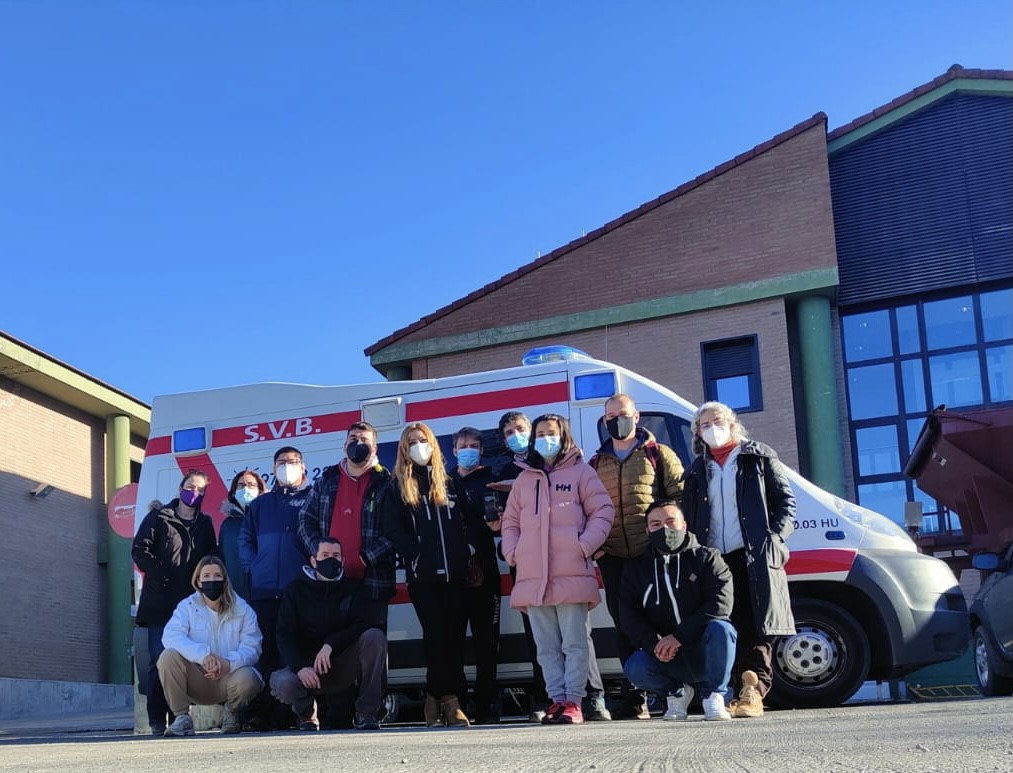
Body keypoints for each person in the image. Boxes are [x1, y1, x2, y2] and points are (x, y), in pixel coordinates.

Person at [493, 411, 612, 723]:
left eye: (551, 432)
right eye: (541, 433)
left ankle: (574, 700)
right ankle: (557, 699)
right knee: (545, 647)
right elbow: (511, 521)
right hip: (532, 576)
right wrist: (512, 550)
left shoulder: (581, 473)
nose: (546, 438)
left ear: (564, 436)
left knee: (574, 642)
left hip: (570, 572)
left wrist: (583, 545)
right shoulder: (524, 478)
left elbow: (602, 511)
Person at [681, 401, 797, 718]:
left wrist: (774, 538)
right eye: (704, 425)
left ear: (732, 423)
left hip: (752, 556)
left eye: (717, 421)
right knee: (722, 626)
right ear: (697, 434)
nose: (712, 429)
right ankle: (727, 691)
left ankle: (753, 690)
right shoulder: (694, 472)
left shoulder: (757, 457)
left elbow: (785, 503)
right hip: (714, 561)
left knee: (754, 625)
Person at [589, 393, 685, 719]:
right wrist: (596, 548)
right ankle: (633, 695)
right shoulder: (595, 463)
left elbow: (680, 499)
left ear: (637, 415)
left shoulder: (659, 455)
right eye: (612, 416)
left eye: (624, 414)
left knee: (661, 621)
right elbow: (583, 508)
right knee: (624, 625)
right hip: (613, 556)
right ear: (605, 421)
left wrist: (669, 539)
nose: (618, 420)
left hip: (652, 555)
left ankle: (667, 690)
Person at [381, 422, 474, 728]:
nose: (418, 446)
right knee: (436, 639)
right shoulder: (397, 486)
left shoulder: (448, 481)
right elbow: (391, 527)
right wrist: (415, 551)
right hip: (424, 579)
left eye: (423, 440)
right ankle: (450, 701)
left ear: (433, 444)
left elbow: (469, 520)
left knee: (454, 640)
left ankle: (437, 698)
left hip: (456, 576)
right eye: (411, 442)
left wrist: (467, 550)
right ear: (403, 450)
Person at [619, 501, 736, 721]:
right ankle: (677, 694)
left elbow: (720, 604)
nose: (664, 529)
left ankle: (714, 696)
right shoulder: (636, 569)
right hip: (666, 657)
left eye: (670, 522)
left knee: (722, 629)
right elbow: (629, 616)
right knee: (635, 667)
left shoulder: (708, 558)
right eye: (655, 524)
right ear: (647, 531)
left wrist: (679, 637)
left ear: (684, 526)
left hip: (704, 651)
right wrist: (655, 644)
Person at [131, 469, 218, 735]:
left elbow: (210, 559)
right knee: (159, 660)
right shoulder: (159, 517)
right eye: (190, 486)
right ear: (181, 487)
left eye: (200, 490)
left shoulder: (205, 524)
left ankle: (179, 716)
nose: (194, 493)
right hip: (160, 604)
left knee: (183, 662)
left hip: (191, 606)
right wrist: (160, 573)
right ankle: (157, 720)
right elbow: (139, 550)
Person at [271, 537, 388, 731]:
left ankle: (366, 713)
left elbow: (360, 625)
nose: (330, 560)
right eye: (325, 555)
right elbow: (284, 636)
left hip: (340, 665)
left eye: (335, 556)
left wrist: (330, 644)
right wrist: (300, 667)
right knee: (284, 683)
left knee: (375, 637)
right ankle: (306, 716)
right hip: (306, 669)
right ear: (313, 561)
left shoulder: (352, 588)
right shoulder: (294, 590)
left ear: (342, 561)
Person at [238, 446, 312, 729]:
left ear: (303, 467)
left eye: (292, 462)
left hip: (299, 592)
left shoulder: (312, 499)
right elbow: (244, 540)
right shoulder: (260, 505)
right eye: (281, 462)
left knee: (291, 653)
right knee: (265, 655)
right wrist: (254, 567)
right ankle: (260, 715)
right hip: (265, 592)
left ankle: (291, 714)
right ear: (273, 468)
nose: (286, 467)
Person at [298, 422, 394, 631]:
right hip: (330, 585)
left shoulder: (386, 482)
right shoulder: (327, 479)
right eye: (353, 439)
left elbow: (395, 530)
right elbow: (305, 519)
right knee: (333, 648)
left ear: (374, 448)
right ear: (344, 446)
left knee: (373, 646)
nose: (358, 443)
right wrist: (320, 552)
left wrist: (365, 557)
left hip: (373, 584)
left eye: (364, 441)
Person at [158, 556, 264, 736]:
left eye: (217, 575)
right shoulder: (187, 607)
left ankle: (231, 713)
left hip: (229, 678)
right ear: (198, 581)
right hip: (197, 678)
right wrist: (204, 656)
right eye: (206, 576)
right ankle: (182, 717)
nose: (212, 580)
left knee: (249, 677)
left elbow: (253, 648)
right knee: (167, 657)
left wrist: (228, 663)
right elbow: (170, 636)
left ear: (224, 579)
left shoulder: (243, 609)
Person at [448, 426, 501, 724]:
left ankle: (487, 704)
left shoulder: (492, 480)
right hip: (453, 576)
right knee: (453, 641)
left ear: (481, 449)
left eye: (474, 445)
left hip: (486, 575)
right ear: (453, 450)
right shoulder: (443, 482)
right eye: (462, 445)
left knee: (487, 642)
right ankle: (458, 703)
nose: (468, 449)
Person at [219, 470, 267, 601]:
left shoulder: (270, 519)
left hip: (266, 596)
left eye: (251, 485)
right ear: (234, 492)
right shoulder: (228, 525)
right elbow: (221, 560)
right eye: (241, 485)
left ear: (260, 490)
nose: (245, 488)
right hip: (236, 598)